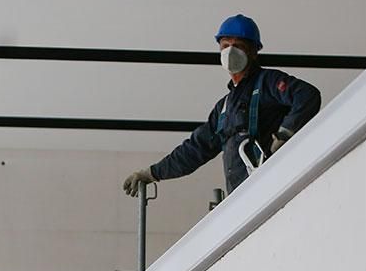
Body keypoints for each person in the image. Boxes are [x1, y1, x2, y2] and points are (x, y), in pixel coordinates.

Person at [124, 14, 321, 197]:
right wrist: (152, 173)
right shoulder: (224, 108)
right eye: (225, 45)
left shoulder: (268, 82)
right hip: (240, 196)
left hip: (270, 187)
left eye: (238, 46)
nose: (230, 52)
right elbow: (195, 149)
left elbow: (307, 96)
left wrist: (285, 134)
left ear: (253, 52)